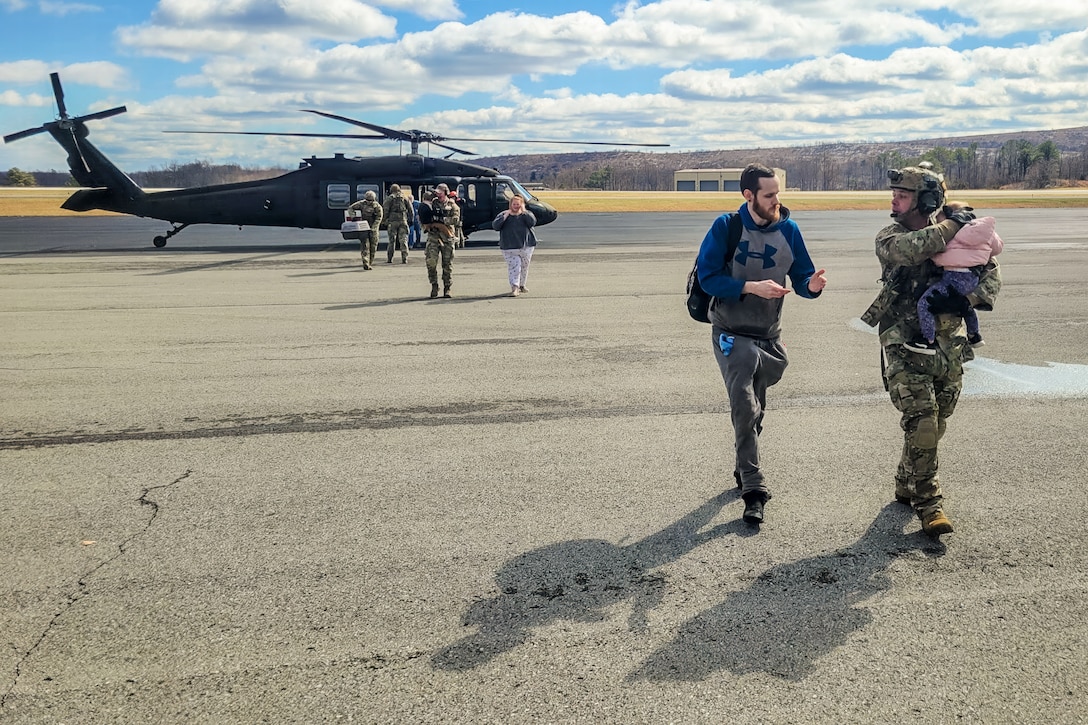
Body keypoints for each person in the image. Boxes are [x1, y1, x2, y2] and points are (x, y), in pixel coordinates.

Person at [864, 165, 1001, 537]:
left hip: (948, 347)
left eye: (903, 195)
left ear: (926, 200)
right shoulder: (891, 236)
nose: (894, 201)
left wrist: (968, 295)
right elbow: (914, 249)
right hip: (904, 345)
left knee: (937, 423)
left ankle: (906, 480)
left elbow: (990, 271)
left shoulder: (963, 238)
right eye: (894, 194)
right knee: (923, 422)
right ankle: (930, 502)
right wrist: (955, 224)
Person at [696, 163, 827, 526]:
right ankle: (753, 489)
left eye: (778, 193)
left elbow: (801, 274)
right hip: (731, 331)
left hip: (769, 334)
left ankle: (744, 461)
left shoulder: (790, 229)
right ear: (749, 195)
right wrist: (751, 287)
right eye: (769, 195)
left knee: (756, 409)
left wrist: (811, 287)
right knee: (743, 402)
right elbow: (708, 278)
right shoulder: (727, 227)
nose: (776, 201)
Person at [909, 201, 1004, 353]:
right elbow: (997, 247)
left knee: (925, 304)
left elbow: (937, 254)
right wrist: (980, 254)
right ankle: (975, 334)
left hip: (952, 278)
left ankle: (928, 339)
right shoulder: (983, 232)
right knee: (964, 304)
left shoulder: (950, 235)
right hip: (972, 278)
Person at [492, 193, 537, 297]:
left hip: (526, 246)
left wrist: (524, 211)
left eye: (518, 204)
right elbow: (495, 226)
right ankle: (514, 287)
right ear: (510, 205)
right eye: (514, 204)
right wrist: (505, 216)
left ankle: (522, 285)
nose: (516, 206)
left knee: (524, 266)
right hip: (509, 247)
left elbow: (532, 222)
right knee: (515, 267)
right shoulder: (504, 215)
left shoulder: (526, 214)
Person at [421, 183, 460, 298]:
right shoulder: (431, 204)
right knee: (431, 263)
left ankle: (447, 287)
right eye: (437, 192)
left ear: (445, 193)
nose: (437, 194)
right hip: (433, 237)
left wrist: (442, 220)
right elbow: (423, 216)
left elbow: (456, 220)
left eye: (440, 192)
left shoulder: (452, 205)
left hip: (447, 238)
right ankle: (434, 286)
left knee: (447, 265)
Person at [346, 190, 383, 270]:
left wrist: (374, 227)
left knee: (373, 247)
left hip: (373, 229)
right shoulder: (361, 204)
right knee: (365, 246)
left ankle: (370, 262)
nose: (369, 202)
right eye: (367, 200)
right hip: (363, 228)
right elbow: (351, 208)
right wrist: (353, 216)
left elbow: (379, 218)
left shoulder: (377, 207)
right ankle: (365, 262)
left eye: (370, 200)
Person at [382, 183, 414, 264]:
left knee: (391, 241)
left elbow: (385, 210)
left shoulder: (389, 198)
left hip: (392, 222)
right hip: (403, 221)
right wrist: (411, 219)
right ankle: (404, 258)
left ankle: (390, 259)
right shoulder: (404, 198)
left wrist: (384, 220)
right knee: (404, 240)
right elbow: (411, 210)